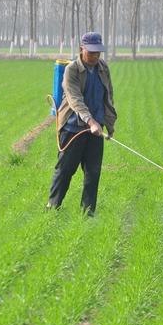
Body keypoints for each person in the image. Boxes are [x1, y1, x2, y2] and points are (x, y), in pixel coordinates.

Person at [46, 32, 118, 217]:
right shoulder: (72, 70)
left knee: (93, 173)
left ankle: (88, 213)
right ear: (81, 49)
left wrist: (109, 124)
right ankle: (53, 208)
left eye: (98, 52)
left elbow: (107, 96)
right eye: (91, 52)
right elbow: (75, 99)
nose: (95, 56)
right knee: (65, 171)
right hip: (72, 129)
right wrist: (91, 121)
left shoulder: (103, 67)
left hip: (95, 131)